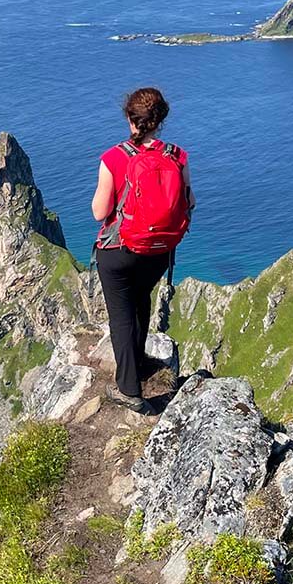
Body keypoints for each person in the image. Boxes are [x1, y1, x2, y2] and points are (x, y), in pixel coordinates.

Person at [91, 87, 195, 415]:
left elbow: (99, 211)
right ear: (160, 120)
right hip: (159, 251)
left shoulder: (114, 157)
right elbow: (189, 202)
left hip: (119, 252)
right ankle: (137, 361)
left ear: (129, 118)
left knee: (121, 316)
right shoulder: (177, 156)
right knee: (141, 300)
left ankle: (129, 389)